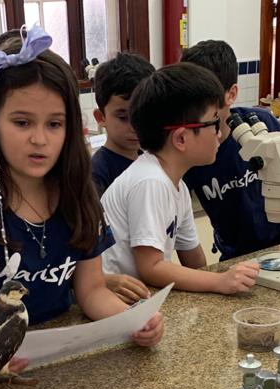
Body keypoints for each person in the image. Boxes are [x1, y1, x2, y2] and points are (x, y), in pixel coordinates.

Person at [0, 24, 164, 375]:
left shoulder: (78, 196)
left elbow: (92, 290)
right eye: (22, 123)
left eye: (54, 124)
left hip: (63, 359)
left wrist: (132, 321)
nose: (40, 139)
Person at [98, 63, 259, 294]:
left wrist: (223, 279)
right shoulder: (150, 181)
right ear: (181, 139)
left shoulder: (177, 185)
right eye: (213, 122)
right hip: (114, 305)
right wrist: (219, 282)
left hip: (141, 299)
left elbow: (193, 257)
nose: (220, 132)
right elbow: (151, 267)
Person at [181, 40, 280, 261]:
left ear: (231, 94)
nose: (197, 110)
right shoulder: (190, 145)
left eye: (205, 100)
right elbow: (179, 221)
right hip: (237, 255)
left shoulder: (261, 123)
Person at [91, 52, 154, 196]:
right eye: (123, 117)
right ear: (101, 117)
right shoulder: (97, 174)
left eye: (143, 116)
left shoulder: (151, 159)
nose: (135, 127)